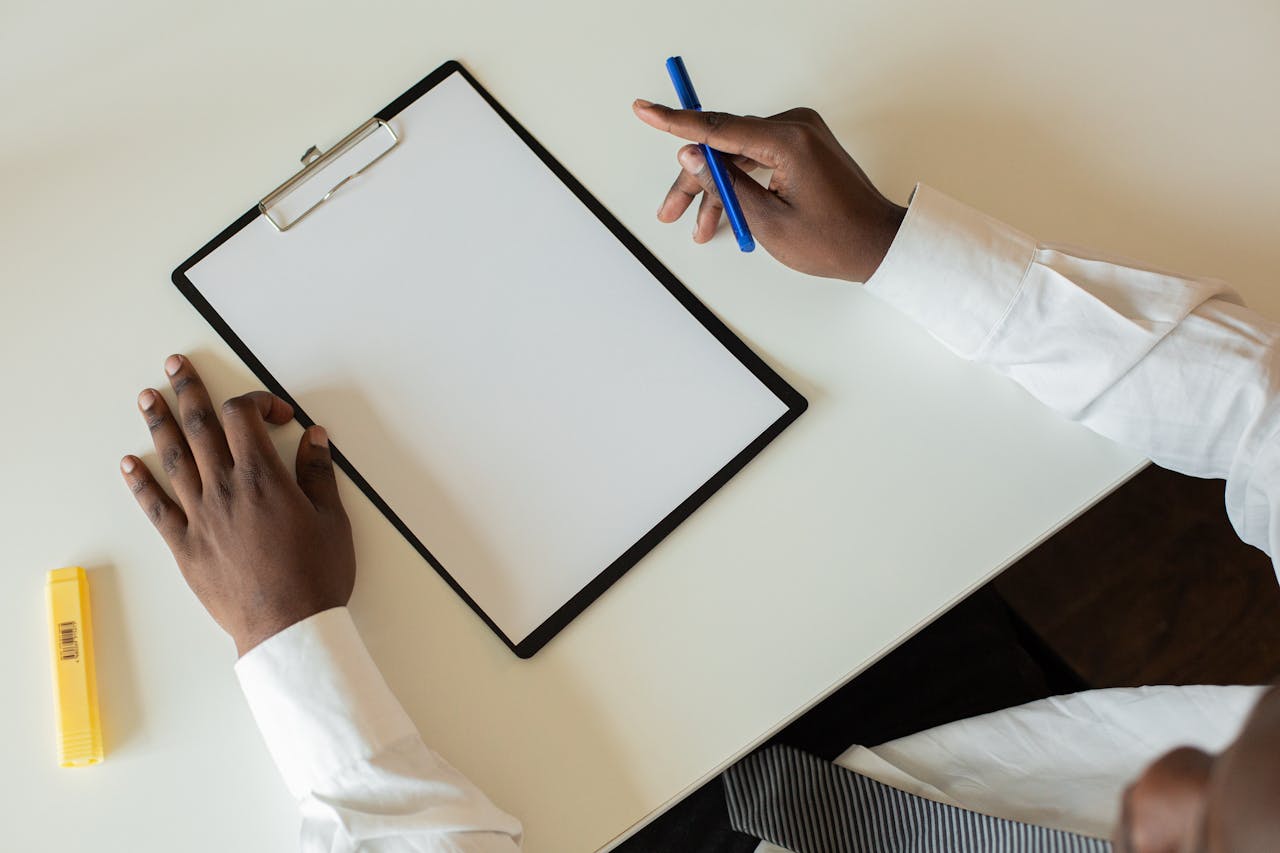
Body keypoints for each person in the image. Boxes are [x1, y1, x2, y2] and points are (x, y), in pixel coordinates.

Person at [119, 98, 1280, 853]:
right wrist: (898, 247)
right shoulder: (1170, 784)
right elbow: (1260, 411)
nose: (1174, 769)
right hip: (970, 739)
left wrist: (285, 633)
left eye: (1189, 846)